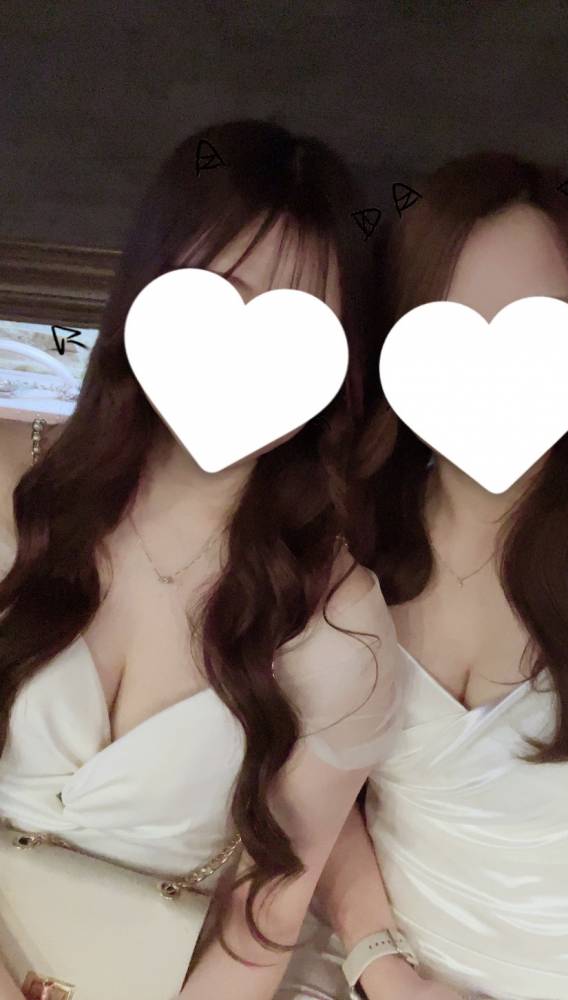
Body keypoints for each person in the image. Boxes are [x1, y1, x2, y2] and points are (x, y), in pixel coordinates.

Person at [276, 151, 568, 1000]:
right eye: (453, 327)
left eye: (538, 327)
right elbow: (312, 788)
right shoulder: (349, 544)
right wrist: (385, 968)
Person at [0, 120, 406, 1000]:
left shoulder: (341, 626)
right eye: (219, 297)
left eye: (295, 331)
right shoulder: (9, 481)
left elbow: (259, 934)